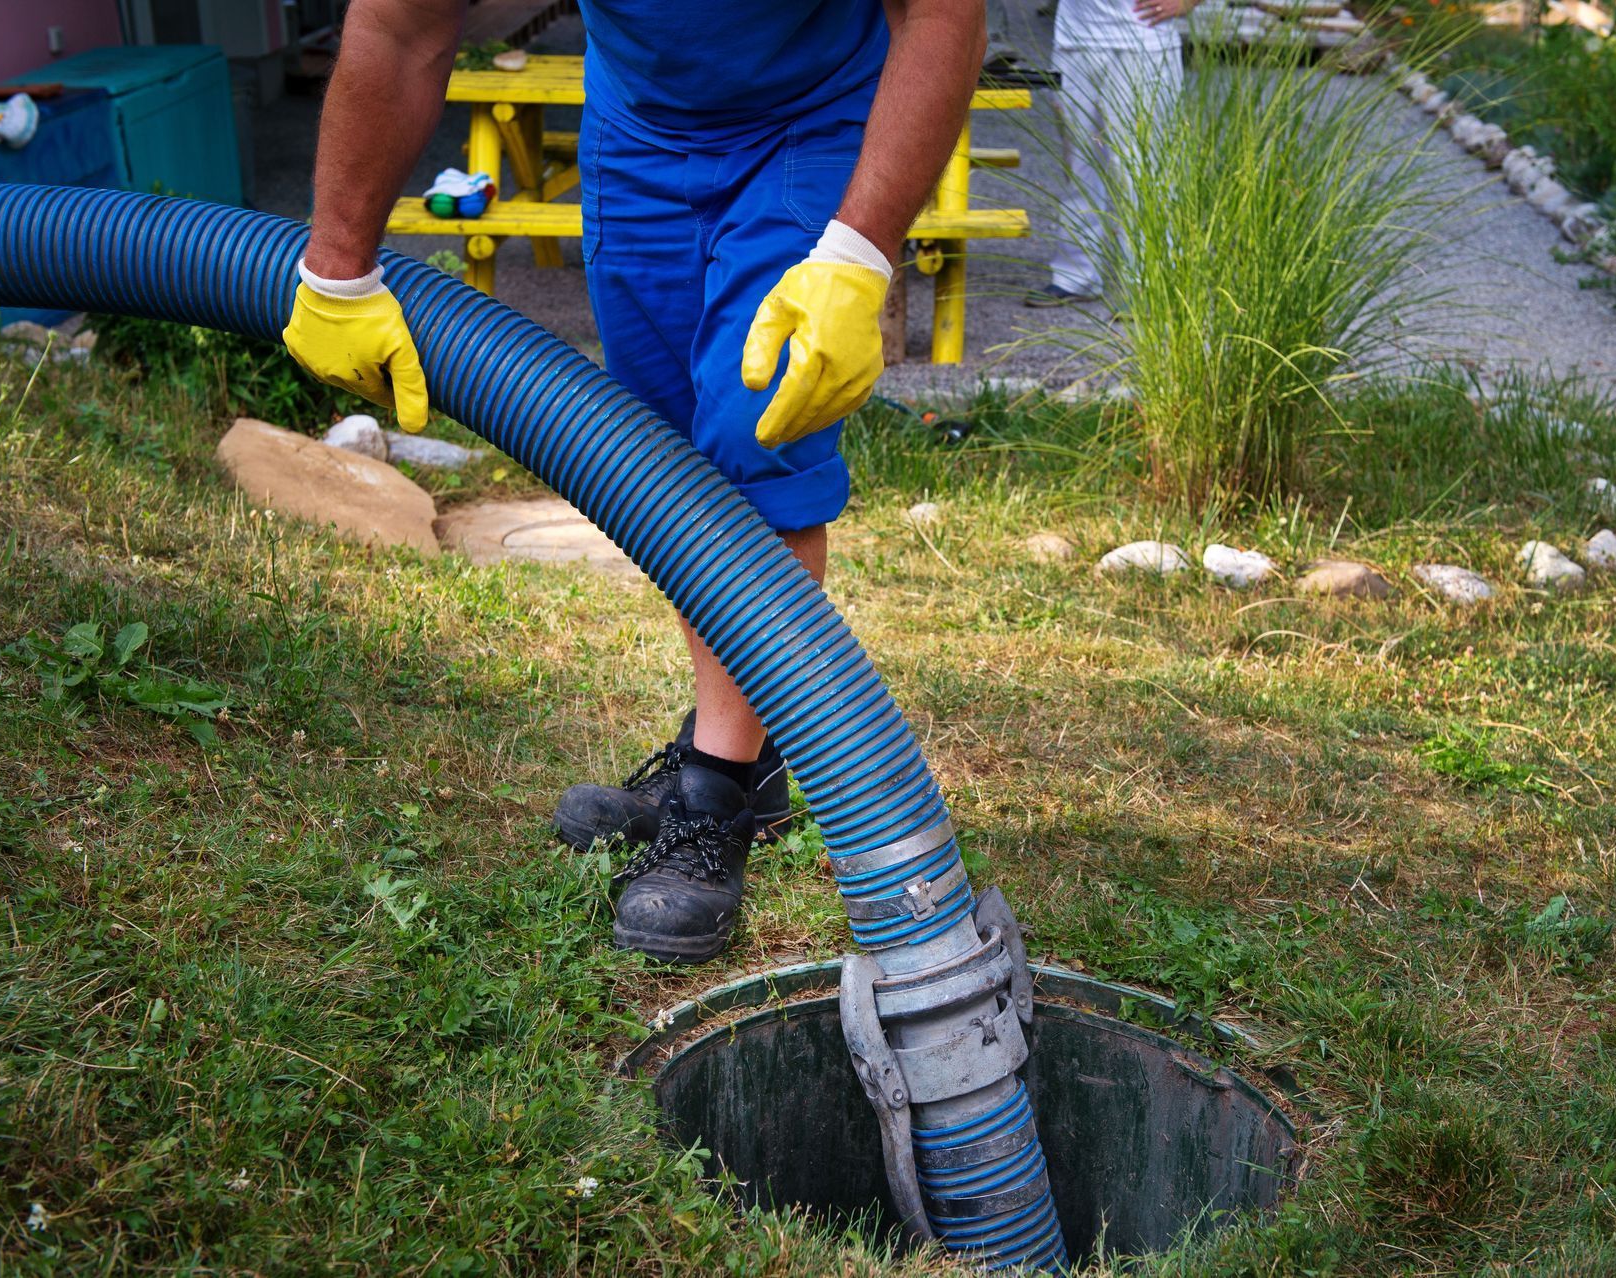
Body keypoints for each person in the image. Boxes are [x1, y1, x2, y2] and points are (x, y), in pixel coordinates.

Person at [282, 0, 987, 963]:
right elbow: (401, 28)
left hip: (812, 114)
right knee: (665, 461)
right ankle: (741, 751)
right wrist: (335, 266)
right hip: (639, 124)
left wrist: (859, 256)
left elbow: (942, 12)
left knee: (755, 431)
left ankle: (712, 799)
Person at [1025, 0, 1193, 306]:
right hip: (1073, 41)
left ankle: (1148, 281)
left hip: (1145, 42)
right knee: (1078, 166)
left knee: (1143, 170)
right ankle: (1076, 276)